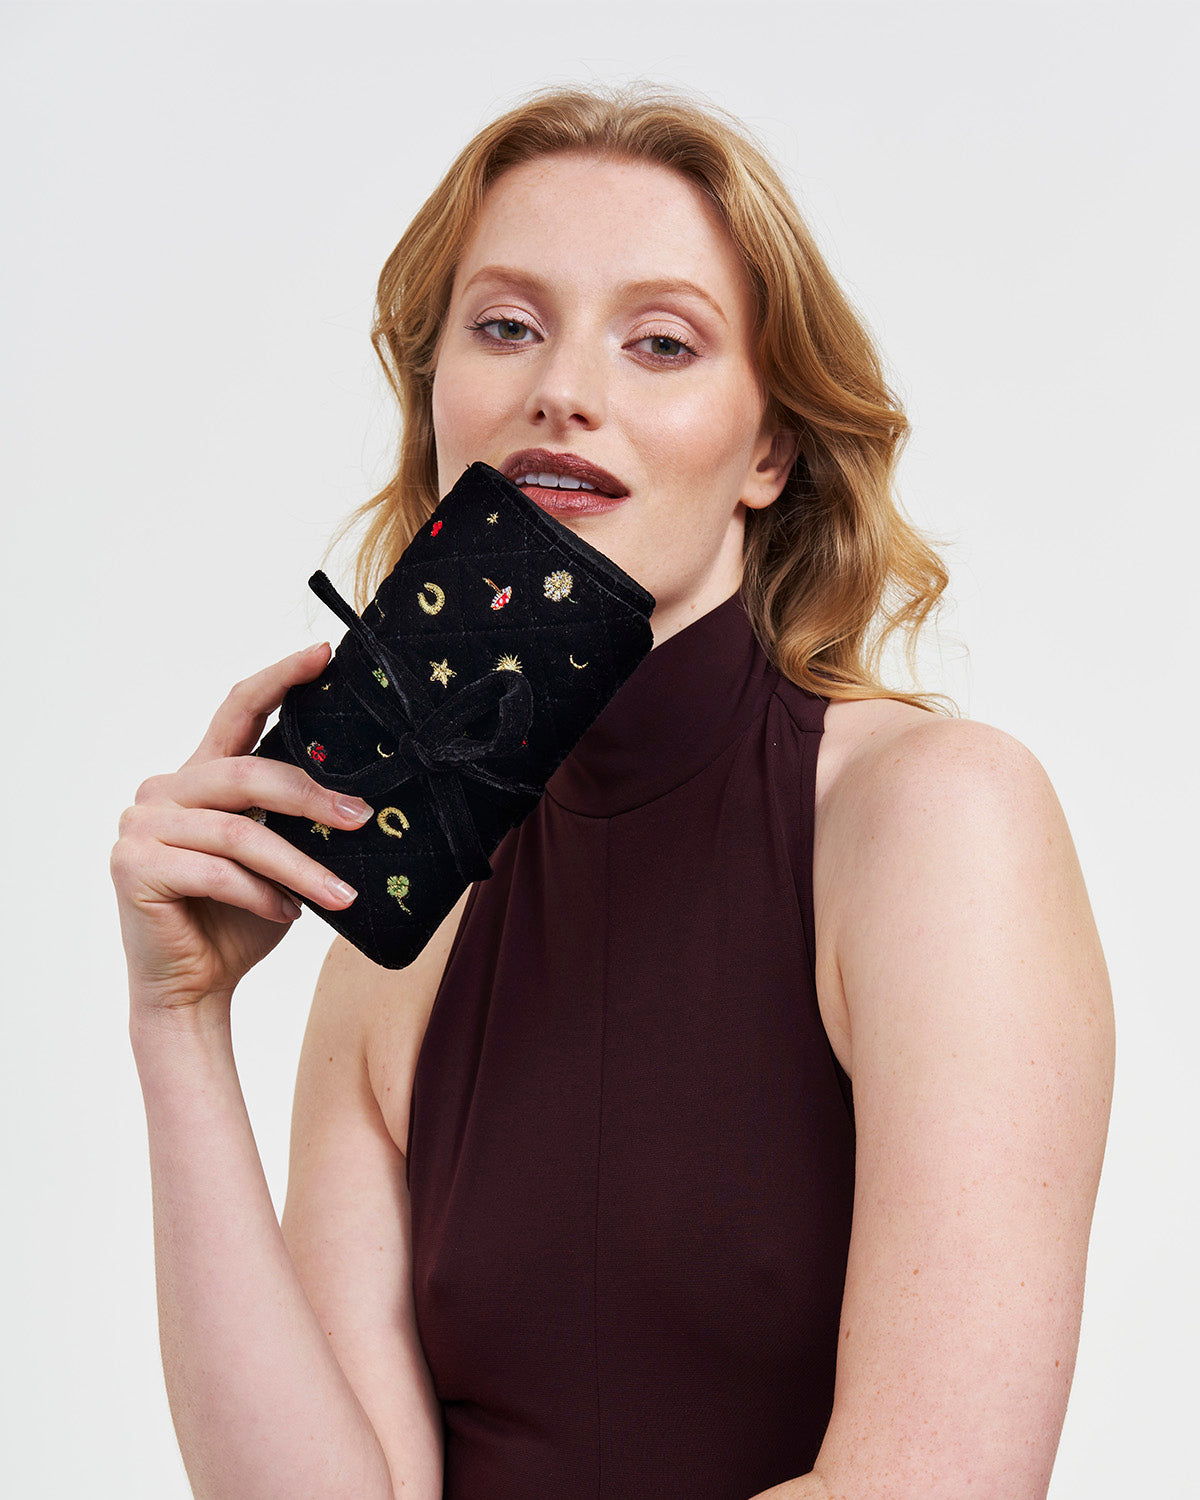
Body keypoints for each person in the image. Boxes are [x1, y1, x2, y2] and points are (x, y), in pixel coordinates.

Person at [110, 83, 1115, 1500]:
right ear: (442, 405)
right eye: (507, 326)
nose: (562, 388)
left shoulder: (935, 821)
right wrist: (183, 1026)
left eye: (661, 341)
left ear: (769, 450)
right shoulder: (405, 939)